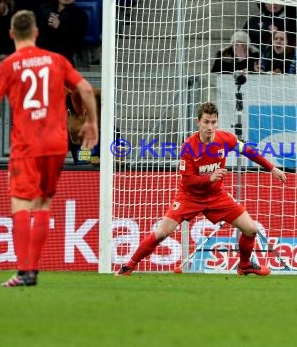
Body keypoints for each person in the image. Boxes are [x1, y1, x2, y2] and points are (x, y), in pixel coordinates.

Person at [0, 10, 99, 287]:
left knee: (21, 204)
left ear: (11, 35)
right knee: (44, 204)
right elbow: (85, 88)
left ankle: (25, 271)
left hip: (26, 143)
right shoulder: (56, 60)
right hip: (55, 143)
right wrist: (92, 122)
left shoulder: (8, 66)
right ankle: (32, 270)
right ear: (36, 33)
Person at [116, 101, 287, 276]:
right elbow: (188, 181)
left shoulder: (225, 139)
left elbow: (249, 151)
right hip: (189, 196)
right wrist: (209, 178)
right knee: (162, 233)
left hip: (216, 196)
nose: (210, 127)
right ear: (198, 122)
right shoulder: (189, 146)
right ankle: (128, 267)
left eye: (213, 122)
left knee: (251, 230)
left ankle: (244, 266)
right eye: (206, 122)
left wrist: (272, 168)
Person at [36, 0, 88, 65]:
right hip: (44, 57)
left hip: (65, 57)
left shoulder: (80, 15)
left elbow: (76, 40)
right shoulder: (45, 11)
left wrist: (59, 27)